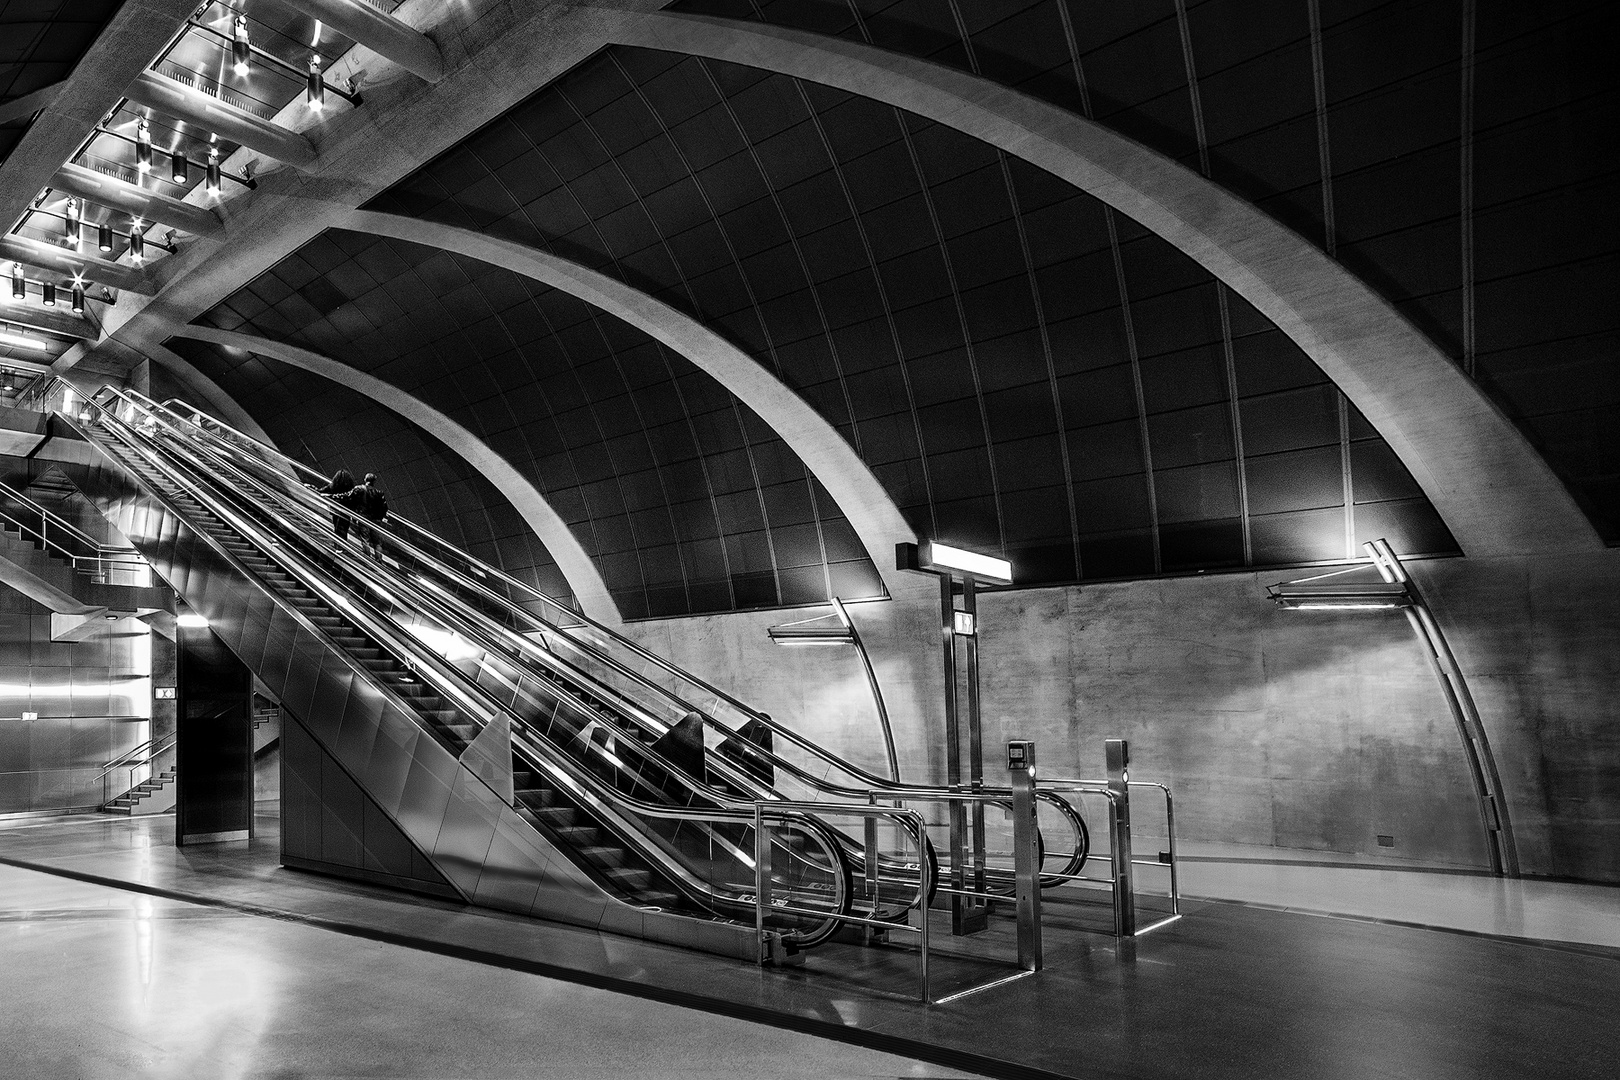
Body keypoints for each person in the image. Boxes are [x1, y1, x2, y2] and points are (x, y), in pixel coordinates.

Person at [308, 468, 357, 544]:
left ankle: (337, 545)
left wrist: (311, 486)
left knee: (336, 527)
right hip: (346, 511)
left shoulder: (332, 486)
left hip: (335, 510)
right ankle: (342, 546)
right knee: (343, 529)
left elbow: (319, 491)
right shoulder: (350, 489)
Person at [348, 472, 389, 557]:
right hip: (376, 520)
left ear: (365, 479)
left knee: (365, 539)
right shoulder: (379, 493)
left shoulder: (359, 489)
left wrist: (354, 514)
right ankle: (379, 561)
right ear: (374, 482)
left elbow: (351, 500)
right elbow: (385, 508)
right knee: (377, 543)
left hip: (363, 518)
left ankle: (367, 559)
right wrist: (381, 518)